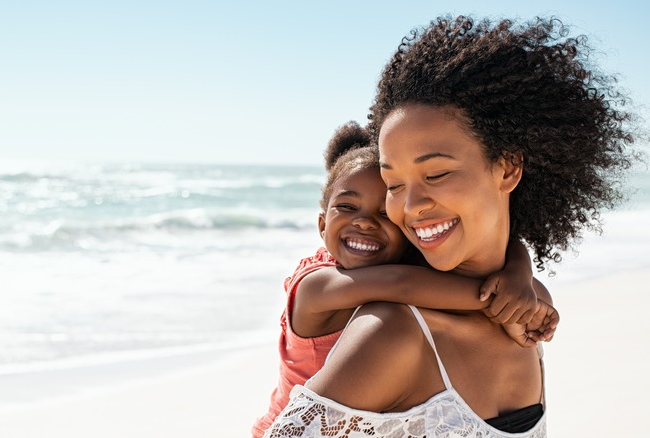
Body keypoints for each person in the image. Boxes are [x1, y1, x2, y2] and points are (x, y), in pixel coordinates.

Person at [263, 15, 638, 437]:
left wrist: (518, 275)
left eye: (436, 174)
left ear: (509, 167)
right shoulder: (392, 332)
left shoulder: (524, 309)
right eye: (394, 184)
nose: (411, 205)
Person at [252, 121, 558, 438]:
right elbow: (402, 283)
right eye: (346, 206)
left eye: (385, 212)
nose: (365, 222)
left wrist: (517, 273)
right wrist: (507, 301)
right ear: (321, 224)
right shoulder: (317, 285)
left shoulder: (398, 262)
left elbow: (500, 245)